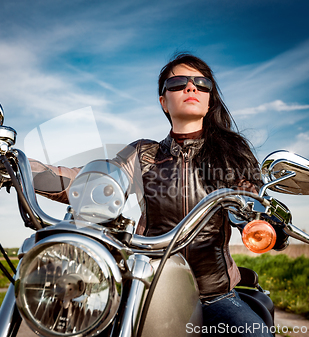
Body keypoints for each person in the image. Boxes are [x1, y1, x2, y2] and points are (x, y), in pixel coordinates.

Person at [30, 53, 272, 336]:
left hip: (215, 294)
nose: (191, 87)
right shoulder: (143, 154)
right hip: (151, 288)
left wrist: (263, 221)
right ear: (163, 101)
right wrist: (19, 166)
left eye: (201, 83)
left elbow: (250, 202)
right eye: (179, 82)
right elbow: (88, 182)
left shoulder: (230, 156)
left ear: (209, 100)